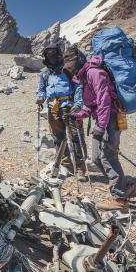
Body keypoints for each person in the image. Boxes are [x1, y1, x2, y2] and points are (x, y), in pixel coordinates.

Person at [66, 54, 136, 212]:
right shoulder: (84, 76)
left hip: (110, 118)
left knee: (108, 156)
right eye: (67, 68)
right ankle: (126, 187)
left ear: (78, 62)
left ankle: (120, 199)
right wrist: (76, 115)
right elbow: (91, 106)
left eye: (70, 66)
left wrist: (101, 126)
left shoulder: (94, 73)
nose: (69, 70)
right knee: (97, 158)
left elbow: (104, 100)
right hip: (102, 119)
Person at [36, 44, 87, 180]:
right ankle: (65, 164)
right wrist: (40, 98)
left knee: (76, 137)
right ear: (46, 56)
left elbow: (78, 86)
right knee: (58, 137)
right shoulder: (45, 73)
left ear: (58, 54)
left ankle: (81, 169)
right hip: (53, 107)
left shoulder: (67, 70)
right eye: (48, 54)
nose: (51, 56)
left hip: (70, 106)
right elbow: (41, 89)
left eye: (53, 53)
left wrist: (78, 103)